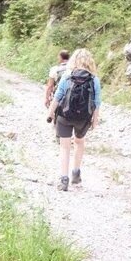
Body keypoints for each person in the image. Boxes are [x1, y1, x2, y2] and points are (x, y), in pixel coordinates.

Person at [47, 48, 101, 191]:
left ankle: (64, 179)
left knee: (64, 147)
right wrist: (95, 120)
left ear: (73, 60)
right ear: (90, 62)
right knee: (79, 142)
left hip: (65, 116)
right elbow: (97, 102)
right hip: (83, 118)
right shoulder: (94, 79)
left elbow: (58, 96)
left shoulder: (67, 76)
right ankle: (76, 174)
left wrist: (50, 113)